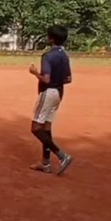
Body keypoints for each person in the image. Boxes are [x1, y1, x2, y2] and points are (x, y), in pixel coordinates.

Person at [28, 25, 74, 176]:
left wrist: (35, 73)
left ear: (51, 38)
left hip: (48, 93)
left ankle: (61, 155)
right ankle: (45, 163)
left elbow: (46, 79)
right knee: (46, 128)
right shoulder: (64, 55)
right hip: (59, 93)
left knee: (36, 128)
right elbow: (68, 79)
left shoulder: (48, 56)